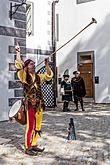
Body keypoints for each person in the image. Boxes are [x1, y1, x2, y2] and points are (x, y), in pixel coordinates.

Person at [15, 43, 53, 156]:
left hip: (39, 104)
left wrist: (46, 65)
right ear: (27, 66)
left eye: (34, 64)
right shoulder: (23, 75)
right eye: (31, 64)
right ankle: (27, 147)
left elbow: (49, 76)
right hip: (30, 104)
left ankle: (34, 144)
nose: (33, 65)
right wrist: (18, 52)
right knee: (30, 126)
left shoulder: (38, 77)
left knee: (38, 126)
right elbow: (18, 65)